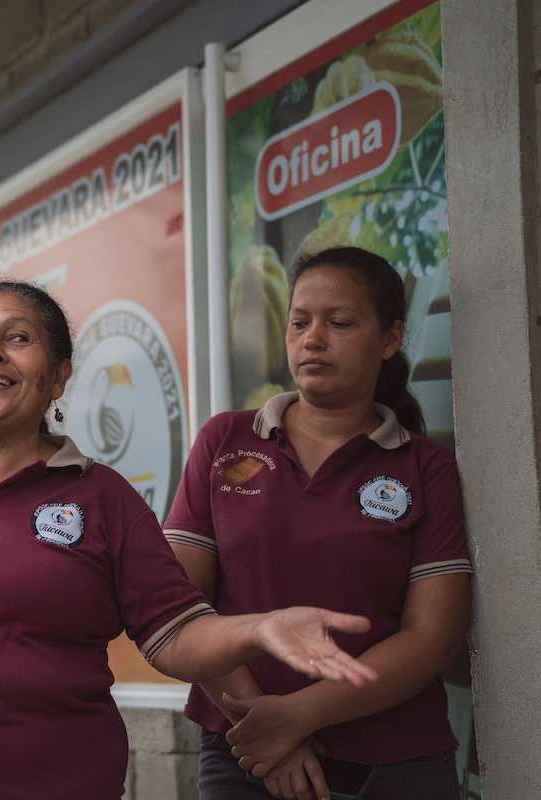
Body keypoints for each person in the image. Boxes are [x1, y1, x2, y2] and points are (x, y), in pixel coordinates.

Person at [0, 280, 380, 800]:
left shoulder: (102, 498)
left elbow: (174, 635)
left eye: (18, 338)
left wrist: (259, 629)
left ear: (59, 376)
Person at [164, 246, 473, 800]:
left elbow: (432, 636)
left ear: (390, 339)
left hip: (397, 762)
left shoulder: (424, 467)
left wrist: (298, 716)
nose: (313, 339)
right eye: (300, 322)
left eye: (340, 322)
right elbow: (179, 604)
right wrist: (263, 726)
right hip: (244, 756)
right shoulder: (224, 441)